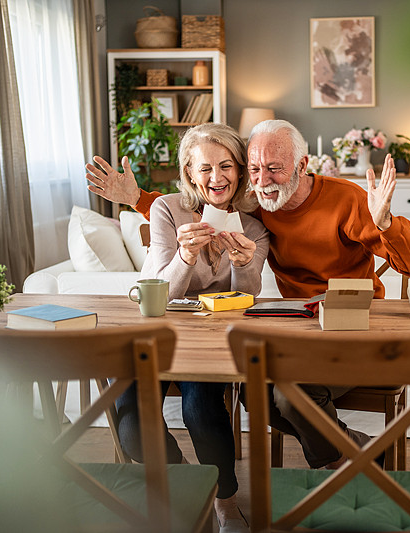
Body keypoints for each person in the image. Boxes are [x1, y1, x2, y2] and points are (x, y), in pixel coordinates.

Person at [86, 119, 410, 470]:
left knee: (288, 395)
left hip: (354, 329)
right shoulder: (259, 204)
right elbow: (200, 205)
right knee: (253, 392)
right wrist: (137, 200)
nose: (263, 180)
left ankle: (341, 462)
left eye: (274, 169)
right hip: (298, 329)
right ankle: (357, 449)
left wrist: (385, 222)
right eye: (254, 169)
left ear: (301, 166)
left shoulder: (346, 200)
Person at [87, 123, 268, 533]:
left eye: (226, 166)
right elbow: (159, 294)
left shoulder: (254, 226)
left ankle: (225, 502)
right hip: (153, 335)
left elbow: (248, 297)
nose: (216, 178)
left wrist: (242, 265)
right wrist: (186, 255)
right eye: (204, 168)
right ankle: (189, 481)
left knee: (201, 411)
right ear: (188, 172)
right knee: (131, 429)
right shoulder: (167, 208)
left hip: (206, 341)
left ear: (240, 171)